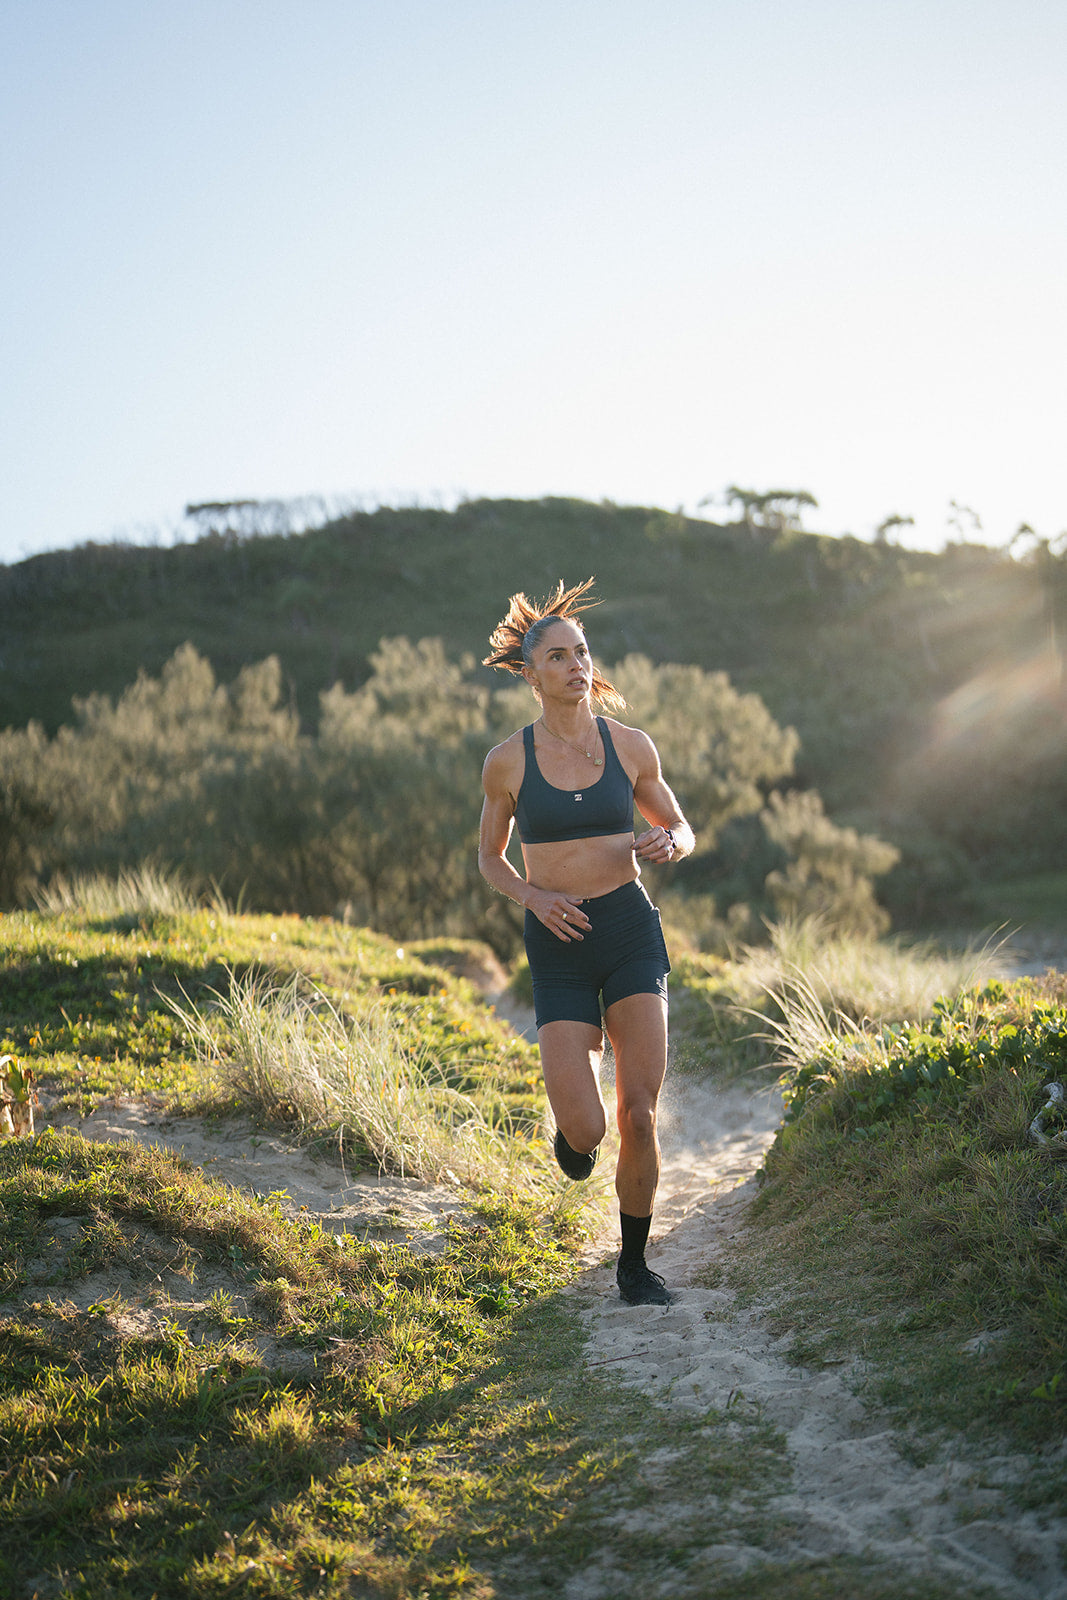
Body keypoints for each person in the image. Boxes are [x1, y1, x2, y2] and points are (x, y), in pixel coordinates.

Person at [478, 579, 694, 1306]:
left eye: (582, 652)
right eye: (559, 656)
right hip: (558, 942)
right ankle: (570, 1141)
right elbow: (489, 858)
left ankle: (633, 1267)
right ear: (532, 674)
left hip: (629, 929)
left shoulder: (630, 746)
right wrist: (532, 896)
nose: (576, 665)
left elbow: (681, 826)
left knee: (638, 1111)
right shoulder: (508, 761)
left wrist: (671, 841)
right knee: (589, 1126)